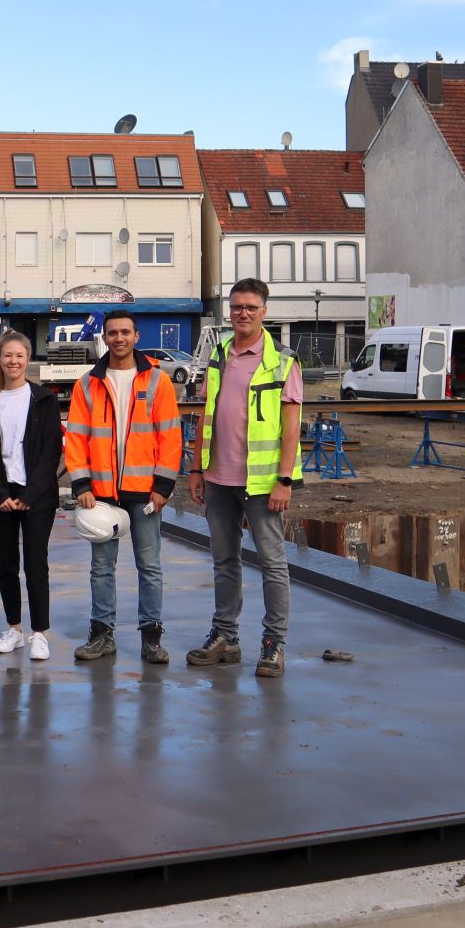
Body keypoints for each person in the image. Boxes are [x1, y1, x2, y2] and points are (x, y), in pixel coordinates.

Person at [186, 280, 302, 677]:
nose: (243, 313)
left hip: (263, 482)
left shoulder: (283, 360)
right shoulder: (219, 355)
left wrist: (284, 480)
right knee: (224, 561)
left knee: (272, 563)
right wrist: (197, 468)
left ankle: (273, 645)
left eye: (251, 307)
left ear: (264, 311)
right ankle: (226, 637)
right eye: (236, 307)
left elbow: (291, 429)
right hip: (219, 477)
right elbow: (206, 411)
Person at [65, 310, 184, 664]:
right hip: (100, 492)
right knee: (101, 567)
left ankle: (151, 638)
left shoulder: (157, 381)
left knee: (149, 565)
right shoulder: (87, 383)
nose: (119, 338)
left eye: (125, 332)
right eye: (112, 333)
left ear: (136, 336)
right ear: (105, 336)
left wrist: (163, 486)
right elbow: (76, 438)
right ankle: (102, 634)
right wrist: (81, 483)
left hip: (145, 491)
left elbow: (170, 436)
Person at [0, 329, 61, 660]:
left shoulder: (44, 400)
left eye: (19, 355)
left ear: (28, 359)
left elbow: (52, 452)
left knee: (36, 564)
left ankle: (39, 633)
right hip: (0, 497)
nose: (13, 360)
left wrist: (31, 494)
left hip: (36, 496)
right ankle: (14, 629)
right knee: (6, 565)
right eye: (7, 355)